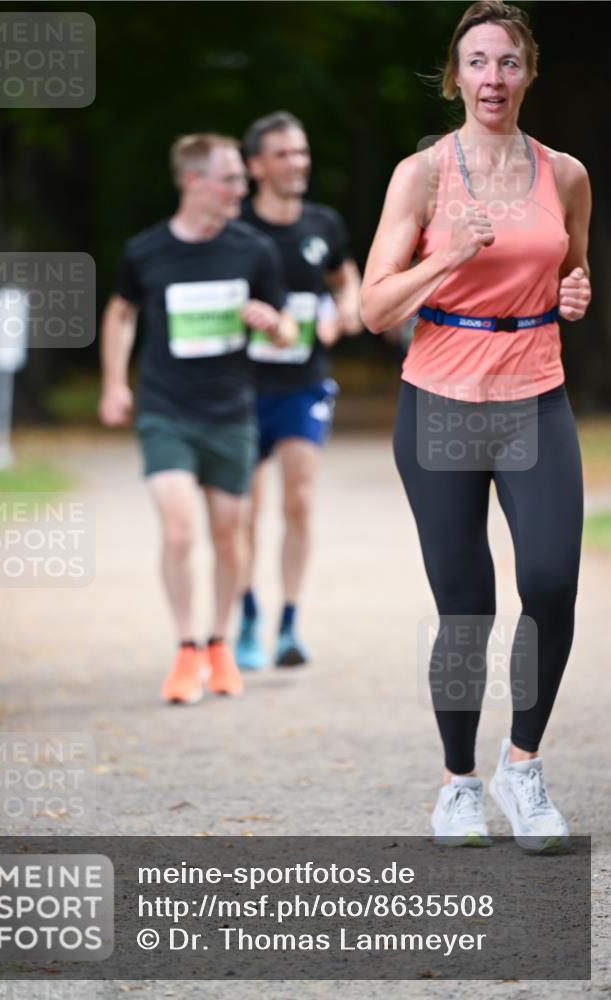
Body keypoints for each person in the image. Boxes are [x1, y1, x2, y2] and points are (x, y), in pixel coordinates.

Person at [361, 1, 591, 849]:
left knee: (551, 584)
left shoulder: (563, 172)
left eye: (508, 62)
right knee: (465, 608)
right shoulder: (420, 176)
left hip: (535, 396)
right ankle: (458, 784)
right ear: (454, 75)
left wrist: (574, 288)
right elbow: (371, 304)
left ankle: (520, 767)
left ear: (529, 73)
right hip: (441, 405)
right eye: (477, 62)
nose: (492, 78)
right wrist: (448, 253)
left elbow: (570, 262)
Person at [99, 134, 296, 705]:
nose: (242, 187)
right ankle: (186, 648)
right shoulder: (146, 251)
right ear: (193, 182)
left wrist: (272, 324)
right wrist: (115, 383)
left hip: (231, 413)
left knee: (228, 537)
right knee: (181, 530)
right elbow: (120, 312)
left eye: (240, 177)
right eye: (230, 178)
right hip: (165, 410)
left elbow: (286, 330)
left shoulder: (253, 249)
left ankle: (220, 643)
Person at [235, 111, 362, 670]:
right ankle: (245, 620)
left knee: (300, 499)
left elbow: (345, 275)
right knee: (243, 511)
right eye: (284, 154)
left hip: (303, 382)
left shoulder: (322, 223)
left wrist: (344, 312)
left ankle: (289, 624)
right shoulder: (233, 227)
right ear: (255, 165)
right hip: (239, 387)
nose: (298, 163)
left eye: (302, 152)